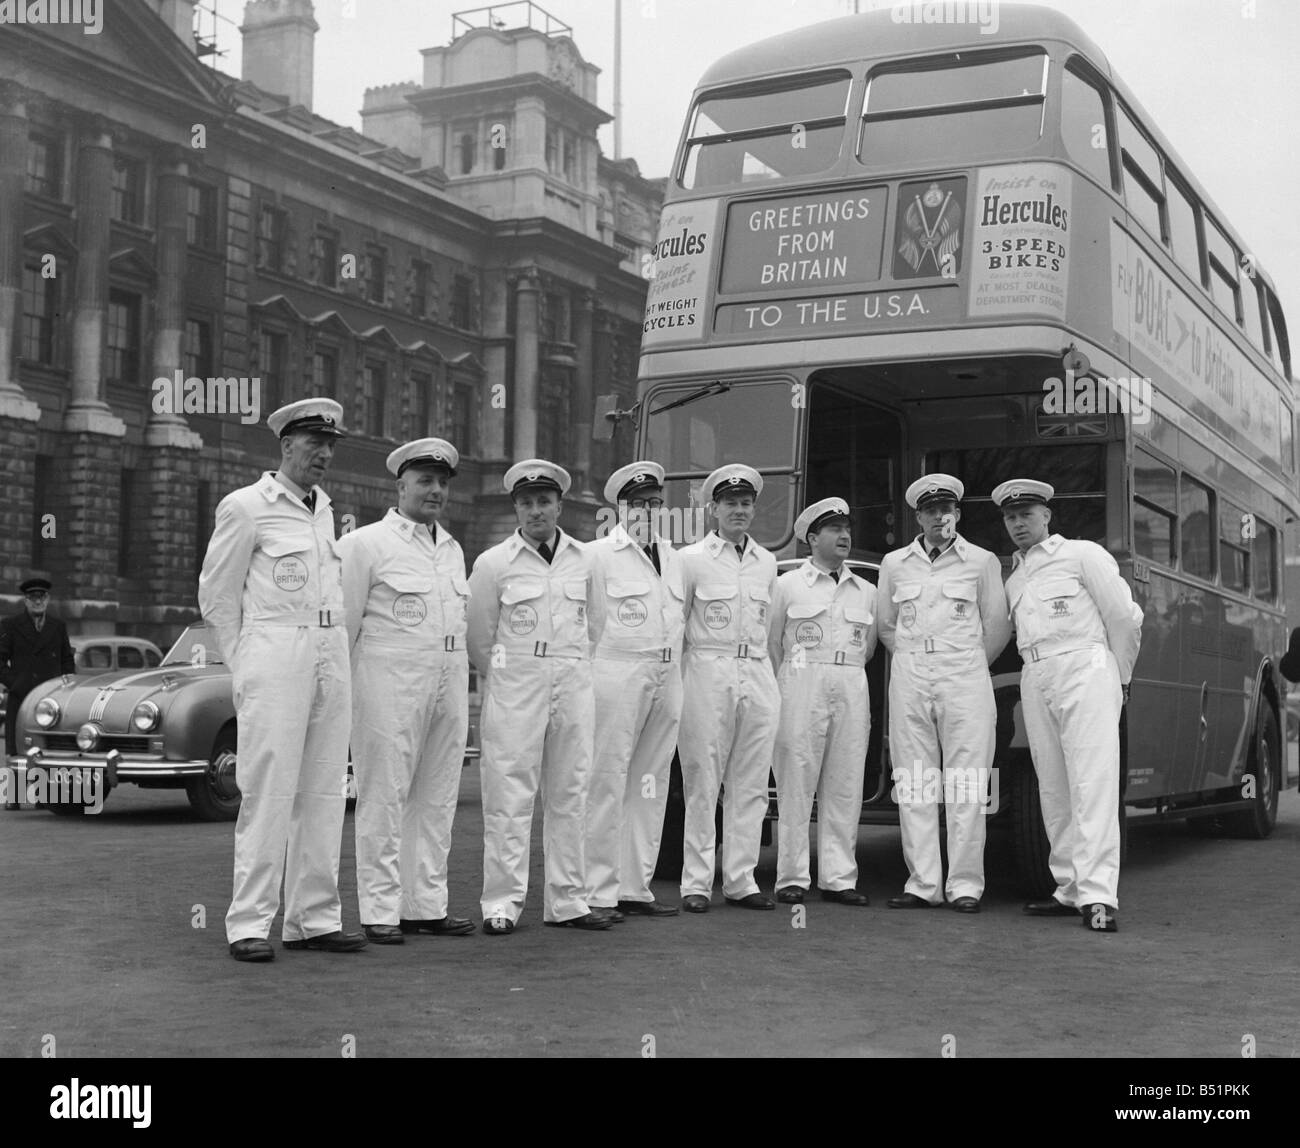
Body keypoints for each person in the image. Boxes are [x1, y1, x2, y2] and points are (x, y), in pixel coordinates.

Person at [198, 397, 366, 962]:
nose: (323, 454)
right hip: (275, 651)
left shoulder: (325, 510)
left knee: (323, 788)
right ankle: (248, 922)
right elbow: (218, 597)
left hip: (328, 650)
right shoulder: (246, 507)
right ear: (285, 446)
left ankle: (313, 918)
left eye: (330, 445)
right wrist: (246, 667)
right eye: (313, 443)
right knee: (268, 790)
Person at [339, 437, 475, 945]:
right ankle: (379, 911)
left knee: (437, 795)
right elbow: (344, 628)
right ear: (400, 486)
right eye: (425, 481)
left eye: (442, 482)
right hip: (387, 682)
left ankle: (425, 904)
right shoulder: (364, 545)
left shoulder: (453, 548)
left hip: (447, 679)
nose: (435, 490)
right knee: (385, 795)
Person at [466, 459, 609, 933]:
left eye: (544, 502)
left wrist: (565, 663)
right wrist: (511, 674)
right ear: (516, 509)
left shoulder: (586, 560)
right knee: (510, 793)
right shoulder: (493, 563)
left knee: (570, 791)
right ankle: (502, 905)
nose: (535, 511)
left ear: (559, 505)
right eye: (526, 503)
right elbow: (480, 638)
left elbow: (596, 623)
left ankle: (568, 901)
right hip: (517, 682)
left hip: (571, 677)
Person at [993, 479, 1142, 933]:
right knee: (1053, 784)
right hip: (1037, 674)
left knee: (1092, 781)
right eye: (1011, 517)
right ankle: (1068, 887)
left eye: (1027, 514)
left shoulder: (1082, 555)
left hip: (1085, 665)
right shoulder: (1015, 576)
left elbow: (1124, 616)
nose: (1019, 523)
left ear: (1047, 516)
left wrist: (1119, 676)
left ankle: (1099, 896)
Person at [876, 475, 1010, 913]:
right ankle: (923, 882)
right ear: (918, 516)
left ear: (958, 514)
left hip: (965, 674)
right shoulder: (895, 564)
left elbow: (997, 626)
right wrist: (918, 659)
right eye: (930, 510)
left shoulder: (982, 561)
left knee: (968, 782)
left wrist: (965, 662)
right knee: (913, 781)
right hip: (911, 672)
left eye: (946, 509)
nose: (939, 516)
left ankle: (966, 883)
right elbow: (887, 625)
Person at [677, 463, 780, 912]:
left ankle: (741, 879)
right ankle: (697, 883)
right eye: (729, 503)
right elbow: (677, 626)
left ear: (753, 510)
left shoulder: (767, 561)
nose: (738, 510)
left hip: (755, 669)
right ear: (712, 508)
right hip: (707, 667)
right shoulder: (691, 559)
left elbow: (770, 627)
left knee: (752, 781)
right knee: (704, 778)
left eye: (745, 503)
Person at [585, 461, 685, 921]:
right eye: (639, 504)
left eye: (655, 503)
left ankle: (634, 886)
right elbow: (585, 624)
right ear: (621, 508)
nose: (649, 510)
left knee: (651, 781)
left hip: (666, 674)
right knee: (606, 779)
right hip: (616, 672)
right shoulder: (597, 555)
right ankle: (597, 890)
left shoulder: (676, 559)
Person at [769, 498, 877, 906]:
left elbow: (866, 648)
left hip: (850, 681)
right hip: (801, 680)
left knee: (845, 780)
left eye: (847, 528)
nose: (844, 536)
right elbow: (772, 641)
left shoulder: (866, 590)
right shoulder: (786, 586)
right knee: (796, 779)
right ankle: (792, 876)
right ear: (812, 538)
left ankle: (839, 877)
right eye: (833, 529)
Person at [1, 577, 75, 760]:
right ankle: (18, 788)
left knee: (52, 752)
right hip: (22, 699)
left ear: (47, 599)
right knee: (19, 754)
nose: (38, 601)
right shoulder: (10, 626)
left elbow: (67, 661)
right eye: (33, 597)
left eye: (41, 597)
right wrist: (17, 684)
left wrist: (64, 688)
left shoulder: (58, 627)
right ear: (25, 601)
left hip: (52, 701)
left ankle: (50, 788)